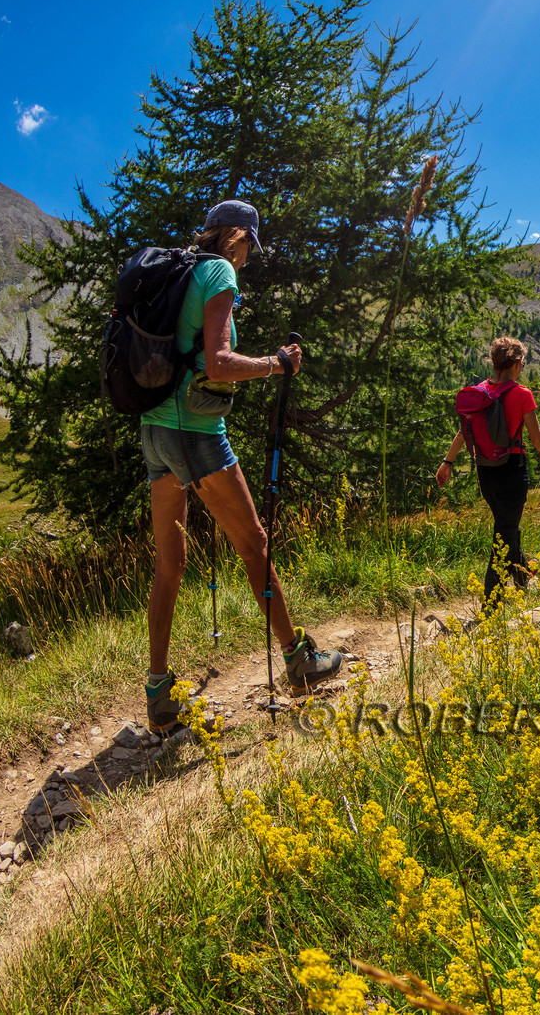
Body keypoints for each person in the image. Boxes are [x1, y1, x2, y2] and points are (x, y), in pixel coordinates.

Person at [141, 199, 344, 736]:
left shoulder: (177, 269)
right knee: (254, 543)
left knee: (170, 562)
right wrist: (275, 364)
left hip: (155, 431)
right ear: (237, 237)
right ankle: (298, 662)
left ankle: (159, 693)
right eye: (251, 243)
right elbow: (218, 363)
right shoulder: (220, 271)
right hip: (196, 434)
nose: (252, 255)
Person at [435, 337, 540, 613]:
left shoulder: (480, 393)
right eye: (522, 362)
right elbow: (536, 435)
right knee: (503, 535)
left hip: (486, 475)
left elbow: (463, 434)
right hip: (512, 472)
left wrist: (447, 462)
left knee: (507, 526)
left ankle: (523, 576)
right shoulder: (522, 394)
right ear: (516, 364)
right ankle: (491, 607)